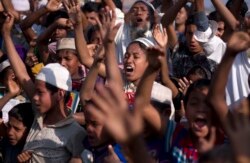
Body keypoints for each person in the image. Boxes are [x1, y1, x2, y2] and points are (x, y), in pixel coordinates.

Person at [2, 12, 86, 162]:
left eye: (40, 92)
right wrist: (6, 34)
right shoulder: (39, 114)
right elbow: (22, 73)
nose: (34, 96)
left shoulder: (76, 134)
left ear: (59, 94)